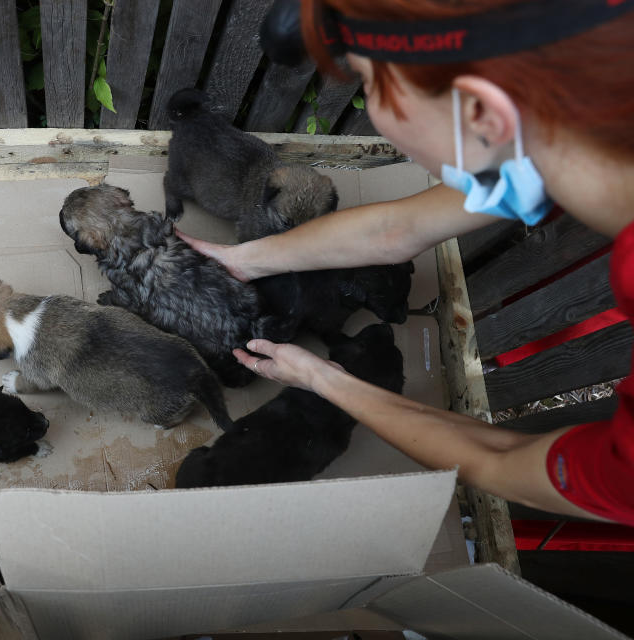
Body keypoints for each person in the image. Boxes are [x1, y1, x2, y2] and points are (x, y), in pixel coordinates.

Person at [178, 0, 634, 525]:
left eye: (369, 84)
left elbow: (505, 464)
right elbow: (395, 229)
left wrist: (326, 381)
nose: (371, 109)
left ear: (481, 113)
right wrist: (242, 261)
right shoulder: (560, 135)